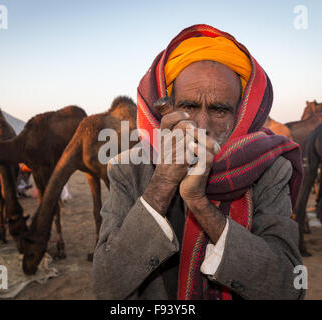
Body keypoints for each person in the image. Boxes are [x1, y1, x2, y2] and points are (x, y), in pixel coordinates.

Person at [92, 24, 304, 300]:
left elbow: (289, 288)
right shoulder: (127, 169)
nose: (201, 125)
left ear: (240, 116)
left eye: (219, 110)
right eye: (188, 106)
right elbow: (106, 286)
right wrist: (162, 184)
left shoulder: (269, 170)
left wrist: (199, 203)